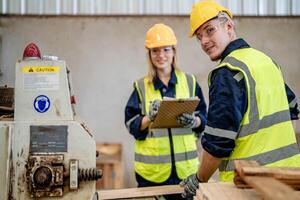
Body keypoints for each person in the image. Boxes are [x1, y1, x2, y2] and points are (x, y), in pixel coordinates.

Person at [180, 1, 300, 198]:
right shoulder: (265, 60)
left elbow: (218, 142)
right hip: (290, 179)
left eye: (209, 30)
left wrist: (199, 179)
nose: (204, 41)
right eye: (199, 37)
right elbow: (292, 108)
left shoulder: (227, 72)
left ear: (229, 27)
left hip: (249, 186)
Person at [124, 23, 207, 199]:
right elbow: (131, 124)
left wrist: (195, 121)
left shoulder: (190, 82)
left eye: (166, 50)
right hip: (152, 175)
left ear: (174, 52)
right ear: (149, 54)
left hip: (186, 172)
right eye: (155, 51)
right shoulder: (141, 87)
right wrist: (149, 117)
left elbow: (205, 119)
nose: (161, 55)